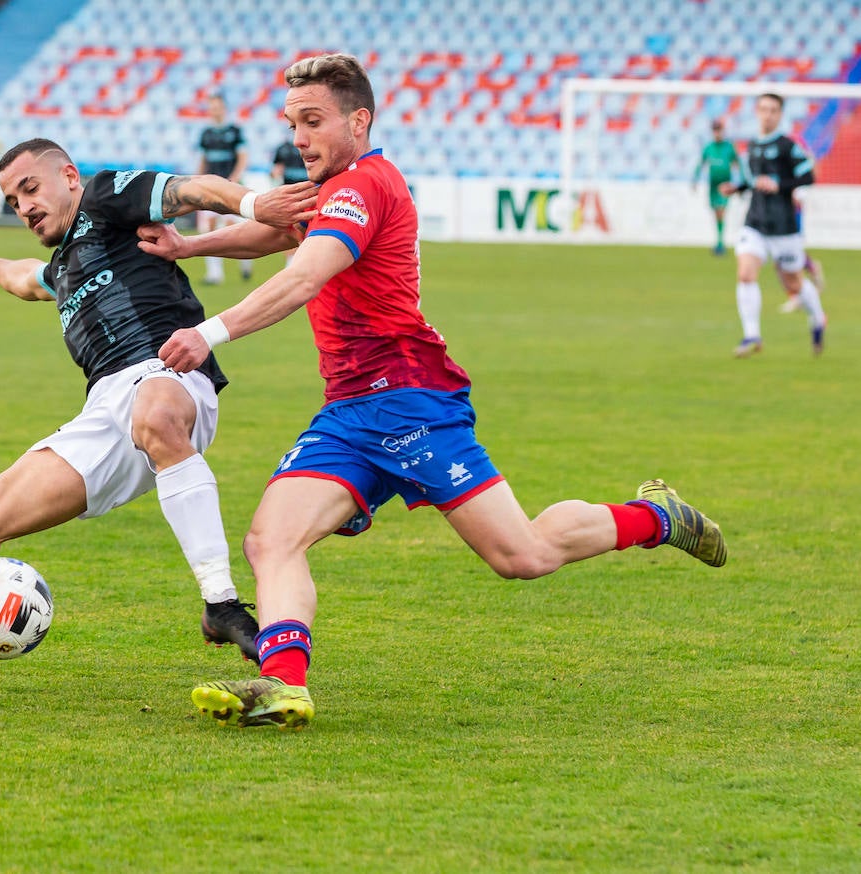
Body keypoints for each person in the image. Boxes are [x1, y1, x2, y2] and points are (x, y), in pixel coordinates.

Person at [144, 53, 728, 730]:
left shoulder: (365, 187)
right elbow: (280, 230)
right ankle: (282, 686)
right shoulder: (331, 186)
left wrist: (208, 331)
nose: (298, 137)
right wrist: (187, 249)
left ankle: (658, 517)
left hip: (412, 397)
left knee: (524, 555)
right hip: (350, 411)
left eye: (312, 121)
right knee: (271, 539)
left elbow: (304, 274)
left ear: (358, 120)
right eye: (291, 122)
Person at [0, 138, 318, 700]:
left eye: (29, 188)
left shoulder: (105, 198)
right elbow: (26, 278)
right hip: (104, 413)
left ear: (68, 176)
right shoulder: (62, 265)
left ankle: (220, 603)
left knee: (155, 411)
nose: (23, 206)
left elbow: (193, 190)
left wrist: (254, 203)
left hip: (171, 373)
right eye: (12, 201)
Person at [717, 92, 825, 358]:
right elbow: (752, 181)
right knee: (745, 274)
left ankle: (818, 318)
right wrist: (737, 188)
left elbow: (809, 176)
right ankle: (752, 335)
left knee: (794, 284)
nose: (767, 114)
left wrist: (780, 185)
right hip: (755, 223)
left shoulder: (789, 146)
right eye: (763, 109)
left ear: (780, 114)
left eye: (773, 110)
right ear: (757, 111)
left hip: (784, 228)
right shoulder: (751, 146)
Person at [196, 93, 254, 284]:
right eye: (211, 106)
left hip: (231, 187)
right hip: (211, 187)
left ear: (224, 108)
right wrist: (196, 180)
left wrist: (233, 180)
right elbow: (203, 160)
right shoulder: (206, 133)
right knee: (210, 229)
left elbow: (243, 158)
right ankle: (215, 274)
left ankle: (246, 262)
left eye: (217, 106)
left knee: (234, 229)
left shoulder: (235, 131)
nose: (215, 110)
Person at [690, 118, 740, 256]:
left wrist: (741, 182)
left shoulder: (728, 147)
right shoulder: (709, 147)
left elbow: (737, 163)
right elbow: (701, 164)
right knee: (716, 214)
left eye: (719, 130)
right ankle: (718, 241)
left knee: (721, 211)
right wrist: (695, 179)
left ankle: (720, 243)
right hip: (713, 185)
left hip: (725, 185)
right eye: (715, 130)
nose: (717, 133)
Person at [271, 138, 309, 265]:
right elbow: (276, 169)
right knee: (291, 232)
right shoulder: (283, 148)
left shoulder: (313, 145)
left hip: (309, 197)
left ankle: (295, 265)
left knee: (303, 233)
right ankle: (291, 265)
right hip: (290, 198)